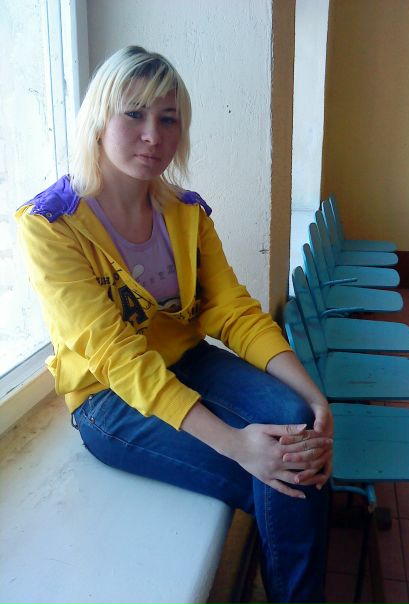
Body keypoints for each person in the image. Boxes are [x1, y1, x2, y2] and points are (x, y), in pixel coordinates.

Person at [16, 46, 333, 604]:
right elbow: (114, 355)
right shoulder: (52, 224)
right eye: (134, 113)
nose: (152, 135)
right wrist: (234, 444)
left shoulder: (186, 213)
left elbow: (233, 311)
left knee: (296, 429)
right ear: (98, 119)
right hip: (110, 397)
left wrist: (314, 396)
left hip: (190, 362)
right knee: (283, 475)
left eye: (168, 119)